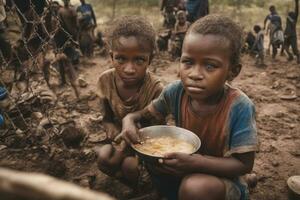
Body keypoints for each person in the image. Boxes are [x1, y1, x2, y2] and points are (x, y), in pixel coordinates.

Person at [121, 15, 258, 200]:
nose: (195, 74)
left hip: (218, 179)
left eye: (210, 66)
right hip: (182, 170)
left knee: (194, 187)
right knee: (152, 156)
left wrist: (197, 162)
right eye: (188, 62)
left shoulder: (239, 107)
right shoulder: (175, 92)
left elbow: (243, 165)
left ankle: (243, 187)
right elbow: (143, 115)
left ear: (233, 71)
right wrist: (129, 120)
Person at [96, 16, 164, 188]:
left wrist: (132, 141)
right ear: (111, 57)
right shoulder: (105, 80)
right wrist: (110, 128)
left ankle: (137, 186)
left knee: (130, 166)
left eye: (139, 60)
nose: (129, 69)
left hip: (143, 143)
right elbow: (106, 118)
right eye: (120, 59)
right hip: (119, 137)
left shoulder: (155, 88)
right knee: (104, 158)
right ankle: (126, 182)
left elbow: (158, 131)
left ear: (150, 59)